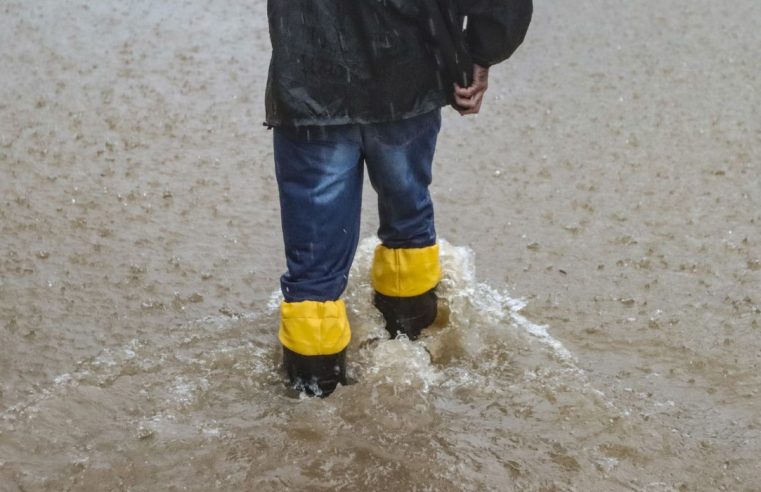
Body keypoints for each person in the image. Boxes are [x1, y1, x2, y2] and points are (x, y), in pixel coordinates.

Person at [265, 0, 532, 396]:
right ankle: (413, 350)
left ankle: (311, 402)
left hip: (309, 83)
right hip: (407, 79)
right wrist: (480, 53)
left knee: (313, 273)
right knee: (408, 222)